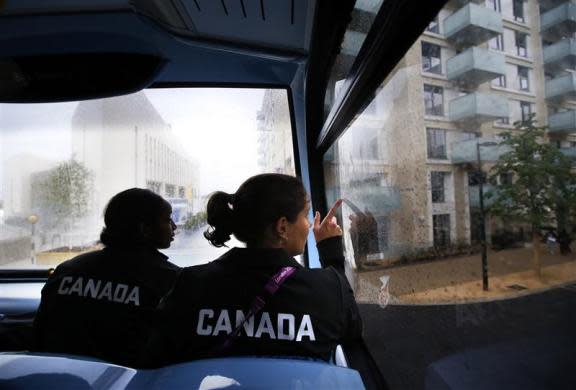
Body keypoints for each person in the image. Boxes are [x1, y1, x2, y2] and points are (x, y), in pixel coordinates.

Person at [152, 174, 362, 365]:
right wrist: (331, 253)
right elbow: (350, 328)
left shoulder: (189, 284)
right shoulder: (326, 290)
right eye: (305, 216)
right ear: (282, 227)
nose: (308, 225)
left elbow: (160, 353)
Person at [33, 188, 180, 367]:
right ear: (145, 229)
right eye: (167, 219)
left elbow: (39, 336)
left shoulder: (66, 271)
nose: (174, 226)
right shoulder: (172, 281)